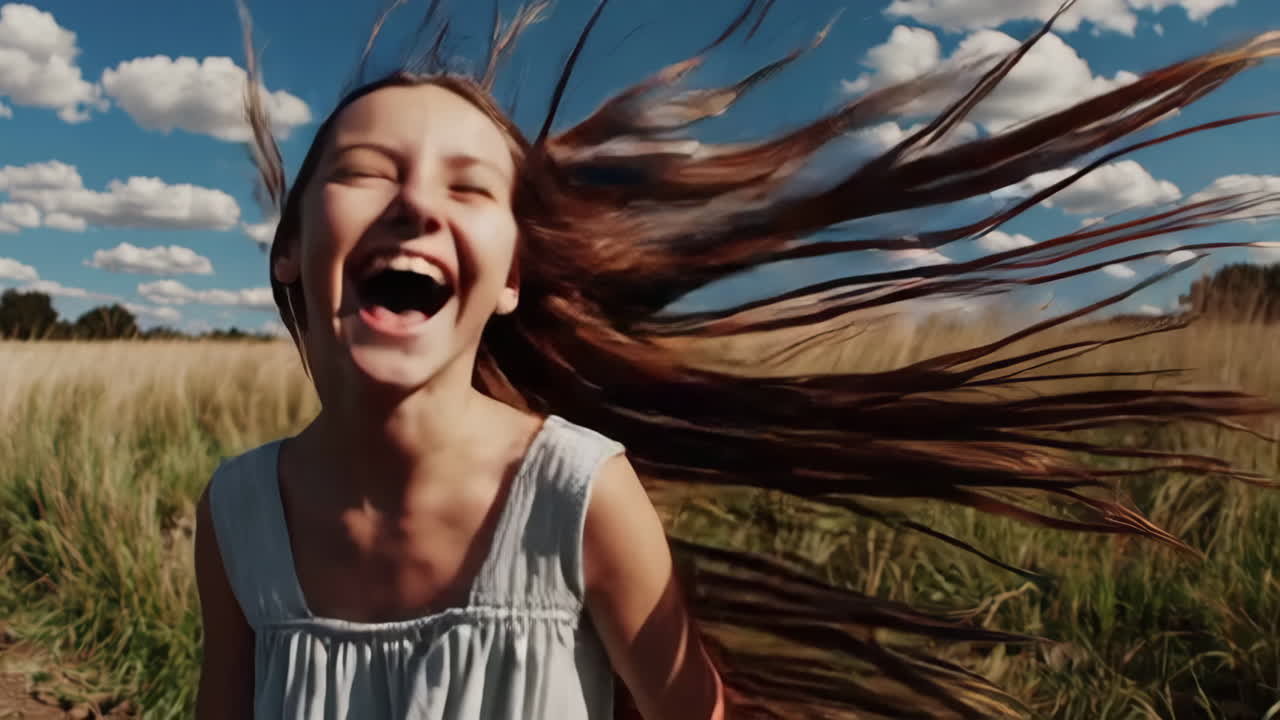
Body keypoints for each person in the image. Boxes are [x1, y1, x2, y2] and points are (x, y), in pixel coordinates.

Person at [195, 1, 1279, 718]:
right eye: (366, 171)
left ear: (512, 277)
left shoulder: (575, 493)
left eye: (470, 187)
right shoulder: (238, 512)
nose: (417, 203)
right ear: (290, 249)